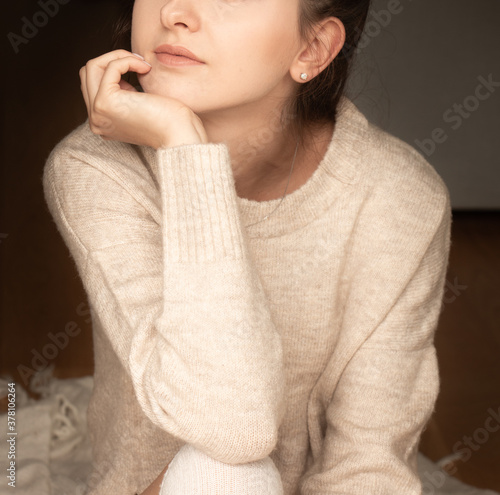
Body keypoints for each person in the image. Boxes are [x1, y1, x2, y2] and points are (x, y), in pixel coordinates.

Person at [42, 0, 452, 493]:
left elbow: (367, 466)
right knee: (224, 474)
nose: (175, 12)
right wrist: (185, 151)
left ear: (314, 48)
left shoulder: (401, 199)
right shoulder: (96, 168)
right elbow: (233, 427)